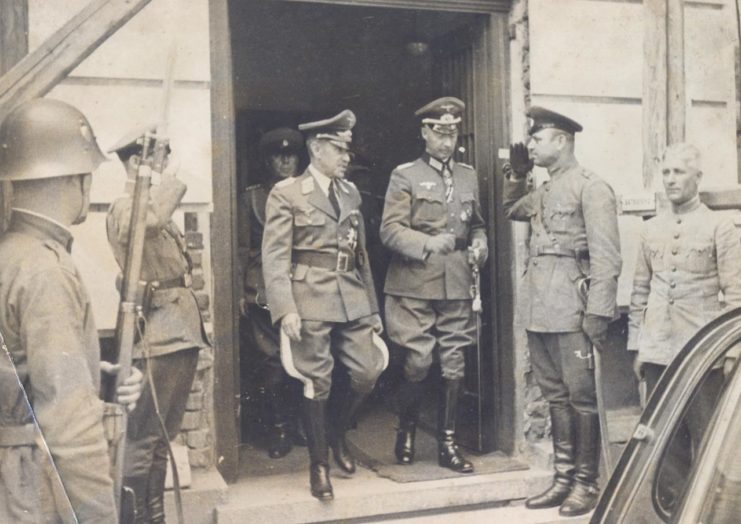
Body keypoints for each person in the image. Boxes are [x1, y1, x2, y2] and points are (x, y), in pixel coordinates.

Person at [0, 98, 142, 523]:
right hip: (33, 487)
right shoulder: (45, 268)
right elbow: (70, 427)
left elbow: (19, 368)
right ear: (73, 180)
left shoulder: (12, 254)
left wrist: (94, 375)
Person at [262, 110, 386, 501]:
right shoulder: (287, 193)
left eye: (347, 149)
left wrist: (373, 311)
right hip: (309, 296)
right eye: (338, 149)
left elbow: (361, 254)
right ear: (317, 149)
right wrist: (286, 310)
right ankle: (319, 464)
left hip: (351, 297)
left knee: (367, 371)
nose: (346, 156)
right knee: (317, 381)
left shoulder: (350, 192)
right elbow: (275, 257)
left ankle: (335, 435)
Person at [503, 106, 621, 516]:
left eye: (537, 139)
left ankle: (586, 484)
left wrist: (598, 314)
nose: (531, 145)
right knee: (555, 396)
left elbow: (607, 259)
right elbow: (513, 210)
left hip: (573, 309)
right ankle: (563, 478)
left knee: (581, 398)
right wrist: (517, 177)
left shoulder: (592, 188)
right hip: (540, 308)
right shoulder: (546, 188)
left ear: (561, 141)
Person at [106, 125, 211, 523]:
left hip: (177, 332)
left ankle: (154, 517)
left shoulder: (147, 205)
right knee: (143, 439)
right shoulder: (125, 206)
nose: (167, 165)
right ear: (137, 162)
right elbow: (143, 225)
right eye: (160, 158)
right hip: (157, 337)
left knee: (163, 439)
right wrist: (169, 183)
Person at [628, 143, 741, 505]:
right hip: (660, 350)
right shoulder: (650, 229)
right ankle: (670, 508)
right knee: (664, 440)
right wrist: (639, 346)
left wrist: (732, 352)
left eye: (679, 172)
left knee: (708, 438)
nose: (671, 179)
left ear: (697, 177)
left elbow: (737, 294)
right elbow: (640, 291)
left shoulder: (720, 227)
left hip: (703, 354)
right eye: (666, 172)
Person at [380, 97, 487, 474]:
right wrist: (426, 243)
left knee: (454, 362)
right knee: (419, 360)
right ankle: (406, 427)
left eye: (452, 132)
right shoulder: (404, 175)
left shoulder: (468, 175)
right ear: (424, 133)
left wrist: (481, 243)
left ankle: (447, 441)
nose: (447, 141)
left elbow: (475, 223)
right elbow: (389, 230)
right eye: (439, 133)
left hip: (456, 281)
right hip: (414, 284)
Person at [240, 127, 306, 458]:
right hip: (262, 290)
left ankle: (300, 425)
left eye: (291, 154)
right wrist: (240, 289)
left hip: (303, 290)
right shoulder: (252, 198)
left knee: (304, 359)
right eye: (278, 156)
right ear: (268, 161)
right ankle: (279, 428)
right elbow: (242, 248)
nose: (285, 161)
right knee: (272, 363)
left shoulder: (309, 195)